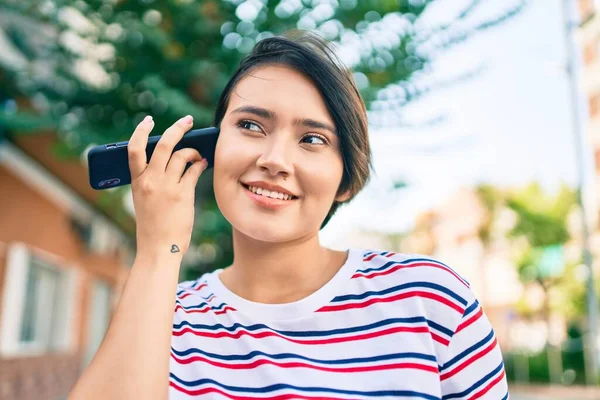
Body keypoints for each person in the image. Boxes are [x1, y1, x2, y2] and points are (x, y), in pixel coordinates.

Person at [69, 31, 508, 400]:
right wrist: (158, 251)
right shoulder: (164, 311)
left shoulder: (429, 300)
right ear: (213, 147)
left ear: (346, 180)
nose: (275, 159)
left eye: (313, 139)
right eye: (251, 126)